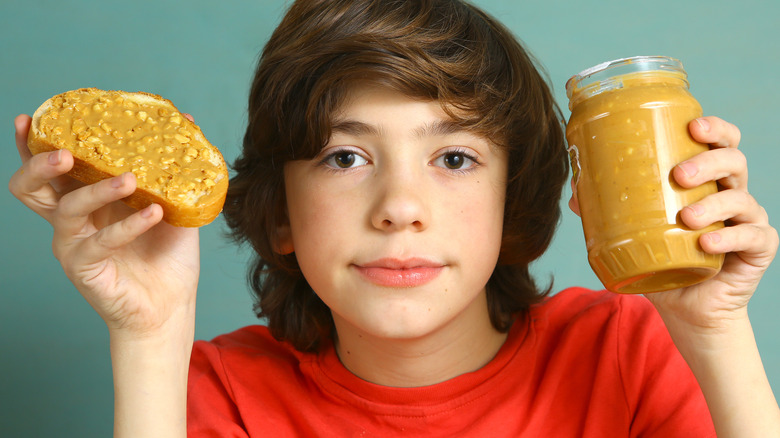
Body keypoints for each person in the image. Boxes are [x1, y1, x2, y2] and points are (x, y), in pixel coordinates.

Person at [9, 0, 780, 436]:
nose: (400, 210)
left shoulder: (625, 353)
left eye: (454, 159)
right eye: (345, 158)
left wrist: (716, 335)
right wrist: (148, 337)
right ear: (280, 214)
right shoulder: (214, 396)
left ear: (514, 202)